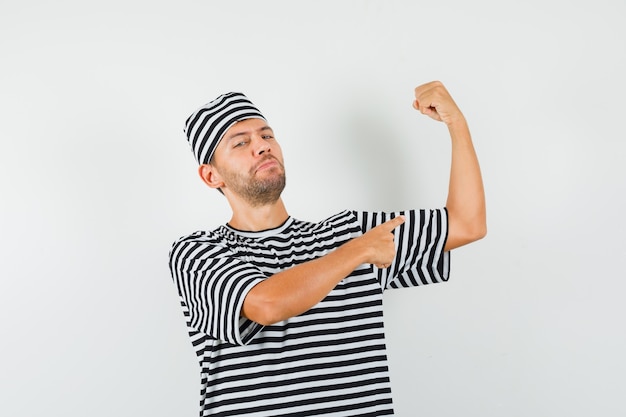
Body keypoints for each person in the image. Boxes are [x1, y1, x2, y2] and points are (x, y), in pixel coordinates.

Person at [169, 81, 486, 416]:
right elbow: (266, 304)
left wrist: (457, 124)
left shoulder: (347, 233)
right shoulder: (197, 253)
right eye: (240, 143)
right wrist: (358, 251)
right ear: (211, 176)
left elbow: (467, 224)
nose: (261, 146)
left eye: (266, 135)